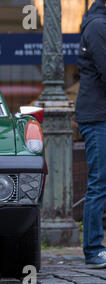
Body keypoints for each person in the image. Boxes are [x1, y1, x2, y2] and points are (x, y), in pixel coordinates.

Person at [75, 0, 106, 269]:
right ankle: (93, 250)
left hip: (100, 115)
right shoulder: (97, 26)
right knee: (99, 183)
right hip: (97, 117)